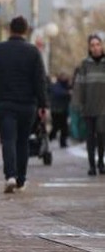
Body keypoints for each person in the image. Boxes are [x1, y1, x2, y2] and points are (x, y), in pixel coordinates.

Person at [0, 16, 47, 193]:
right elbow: (39, 80)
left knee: (8, 140)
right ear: (25, 31)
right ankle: (21, 179)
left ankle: (10, 176)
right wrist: (43, 104)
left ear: (10, 29)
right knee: (22, 141)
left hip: (4, 103)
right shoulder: (33, 52)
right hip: (27, 105)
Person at [72, 34, 105, 175]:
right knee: (90, 137)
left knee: (101, 133)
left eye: (98, 44)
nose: (96, 48)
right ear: (89, 48)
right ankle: (92, 165)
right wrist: (78, 104)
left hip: (103, 107)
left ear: (102, 46)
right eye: (92, 45)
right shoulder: (85, 64)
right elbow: (79, 85)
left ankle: (101, 162)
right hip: (88, 106)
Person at [48, 72, 72, 148]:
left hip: (63, 109)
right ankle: (50, 138)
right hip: (56, 110)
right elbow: (58, 92)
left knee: (64, 127)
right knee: (56, 126)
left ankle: (62, 142)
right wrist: (68, 93)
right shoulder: (56, 85)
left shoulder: (66, 86)